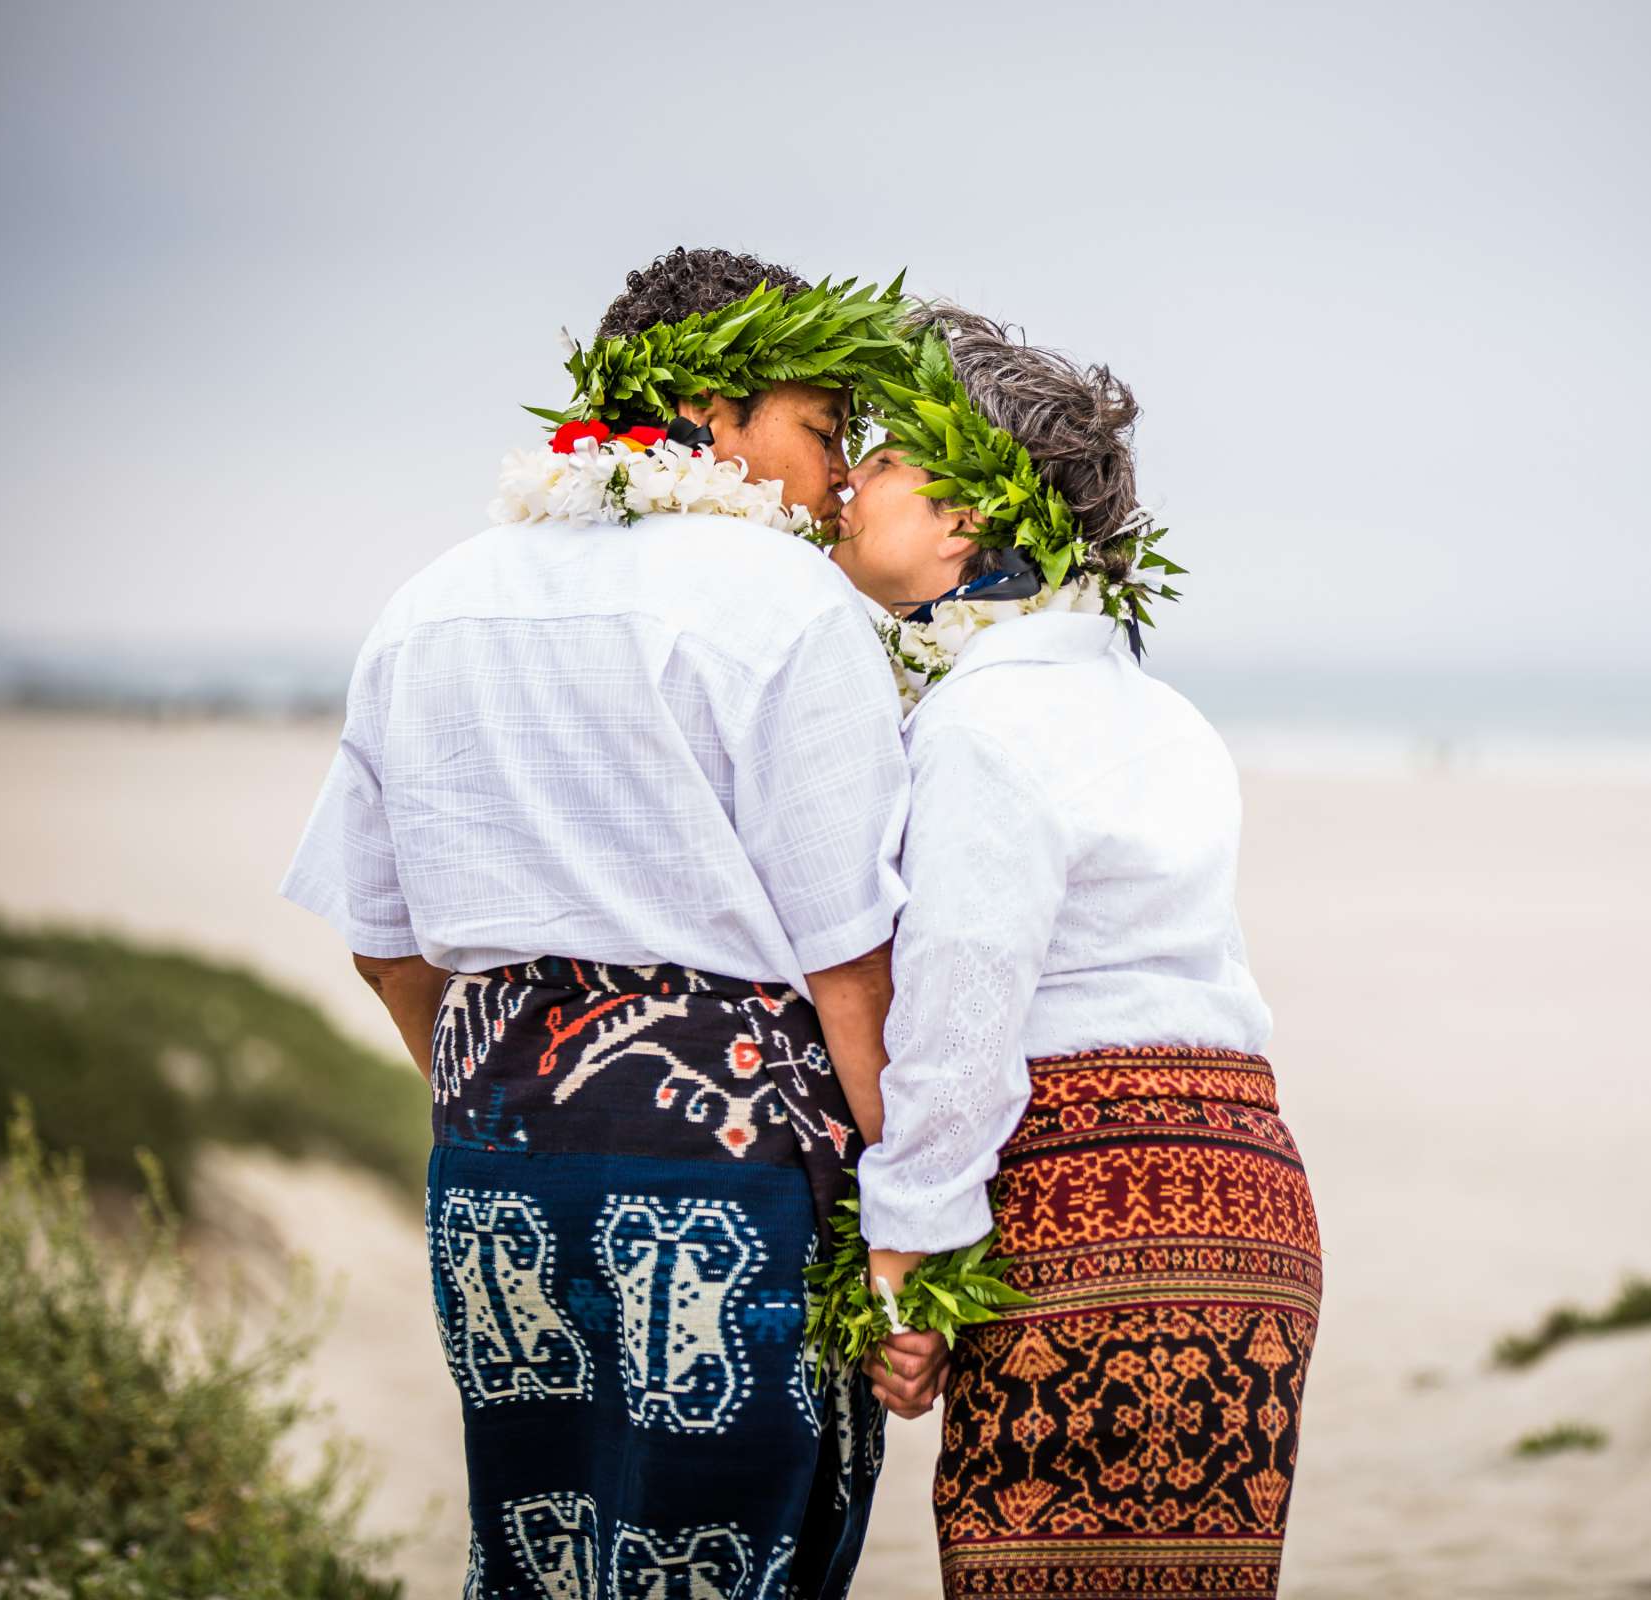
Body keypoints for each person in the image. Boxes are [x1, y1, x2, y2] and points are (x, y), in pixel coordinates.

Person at [279, 246, 908, 1600]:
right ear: (711, 409)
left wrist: (513, 1088)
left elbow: (382, 937)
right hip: (731, 1168)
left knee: (535, 1550)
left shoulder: (433, 597)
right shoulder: (786, 601)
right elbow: (849, 962)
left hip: (492, 1167)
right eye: (820, 428)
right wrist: (907, 1210)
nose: (843, 476)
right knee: (736, 1555)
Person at [827, 307, 1322, 1599]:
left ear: (969, 518)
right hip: (1245, 1191)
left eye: (882, 458)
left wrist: (907, 1258)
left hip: (1090, 1201)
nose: (849, 479)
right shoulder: (1158, 711)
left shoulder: (989, 723)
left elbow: (966, 1002)